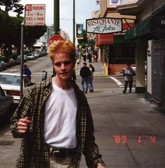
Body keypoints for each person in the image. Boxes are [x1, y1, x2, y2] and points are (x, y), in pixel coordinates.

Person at [10, 40, 105, 168]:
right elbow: (14, 123)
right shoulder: (37, 92)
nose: (63, 68)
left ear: (73, 62)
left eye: (66, 63)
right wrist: (18, 126)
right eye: (58, 64)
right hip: (40, 160)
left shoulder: (80, 97)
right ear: (53, 65)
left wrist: (97, 162)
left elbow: (87, 138)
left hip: (69, 162)